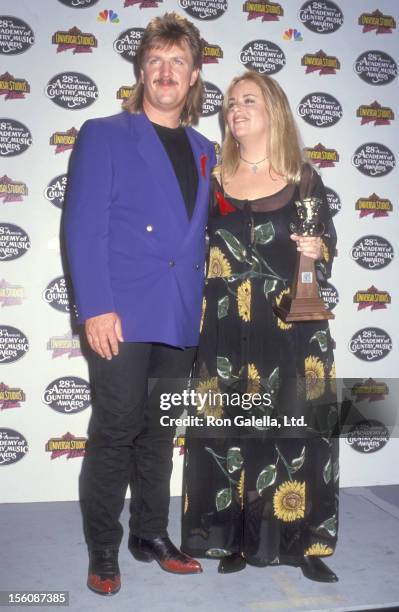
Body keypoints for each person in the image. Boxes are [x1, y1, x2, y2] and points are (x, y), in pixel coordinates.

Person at [64, 12, 216, 595]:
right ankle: (104, 545)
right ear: (142, 71)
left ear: (195, 74)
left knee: (160, 432)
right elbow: (82, 227)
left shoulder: (207, 149)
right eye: (156, 61)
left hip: (179, 313)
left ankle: (150, 533)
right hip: (121, 311)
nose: (165, 71)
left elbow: (204, 235)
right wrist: (95, 306)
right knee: (116, 427)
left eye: (178, 61)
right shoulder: (106, 133)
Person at [181, 71, 339, 582]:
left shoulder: (305, 180)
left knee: (300, 433)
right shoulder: (213, 180)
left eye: (248, 100)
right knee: (231, 433)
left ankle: (306, 545)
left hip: (290, 328)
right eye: (229, 103)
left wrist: (318, 252)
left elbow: (324, 254)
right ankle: (237, 539)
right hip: (227, 328)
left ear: (274, 109)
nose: (235, 109)